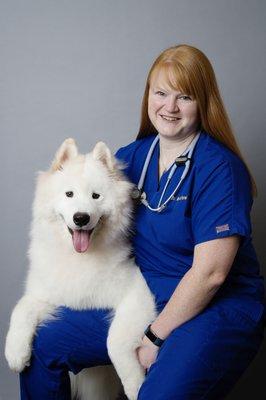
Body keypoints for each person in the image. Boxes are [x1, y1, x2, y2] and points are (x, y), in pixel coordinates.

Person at [20, 44, 265, 399]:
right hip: (146, 296)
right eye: (161, 93)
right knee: (42, 345)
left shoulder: (219, 169)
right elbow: (83, 208)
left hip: (213, 308)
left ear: (204, 103)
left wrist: (152, 337)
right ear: (148, 95)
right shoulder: (131, 158)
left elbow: (212, 275)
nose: (169, 107)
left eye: (185, 97)